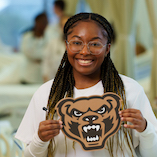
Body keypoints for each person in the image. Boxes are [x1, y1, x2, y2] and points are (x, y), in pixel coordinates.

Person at [15, 13, 157, 157]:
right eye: (77, 43)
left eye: (95, 44)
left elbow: (152, 153)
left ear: (107, 48)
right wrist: (40, 139)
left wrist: (145, 129)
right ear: (66, 45)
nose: (84, 51)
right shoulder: (46, 94)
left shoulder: (130, 90)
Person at [20, 12, 48, 84]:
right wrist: (43, 56)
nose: (44, 25)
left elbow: (50, 54)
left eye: (46, 22)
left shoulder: (49, 37)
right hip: (28, 76)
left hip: (43, 76)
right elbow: (28, 53)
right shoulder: (27, 36)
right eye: (43, 22)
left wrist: (42, 56)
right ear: (36, 22)